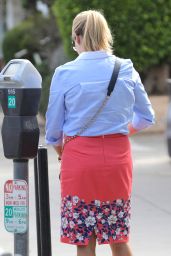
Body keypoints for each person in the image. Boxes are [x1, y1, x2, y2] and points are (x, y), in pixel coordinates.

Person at [45, 10, 155, 256]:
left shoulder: (65, 73)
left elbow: (53, 130)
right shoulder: (125, 69)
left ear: (77, 36)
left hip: (79, 161)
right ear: (106, 35)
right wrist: (121, 131)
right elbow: (147, 117)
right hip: (117, 160)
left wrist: (62, 150)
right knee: (118, 237)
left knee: (84, 240)